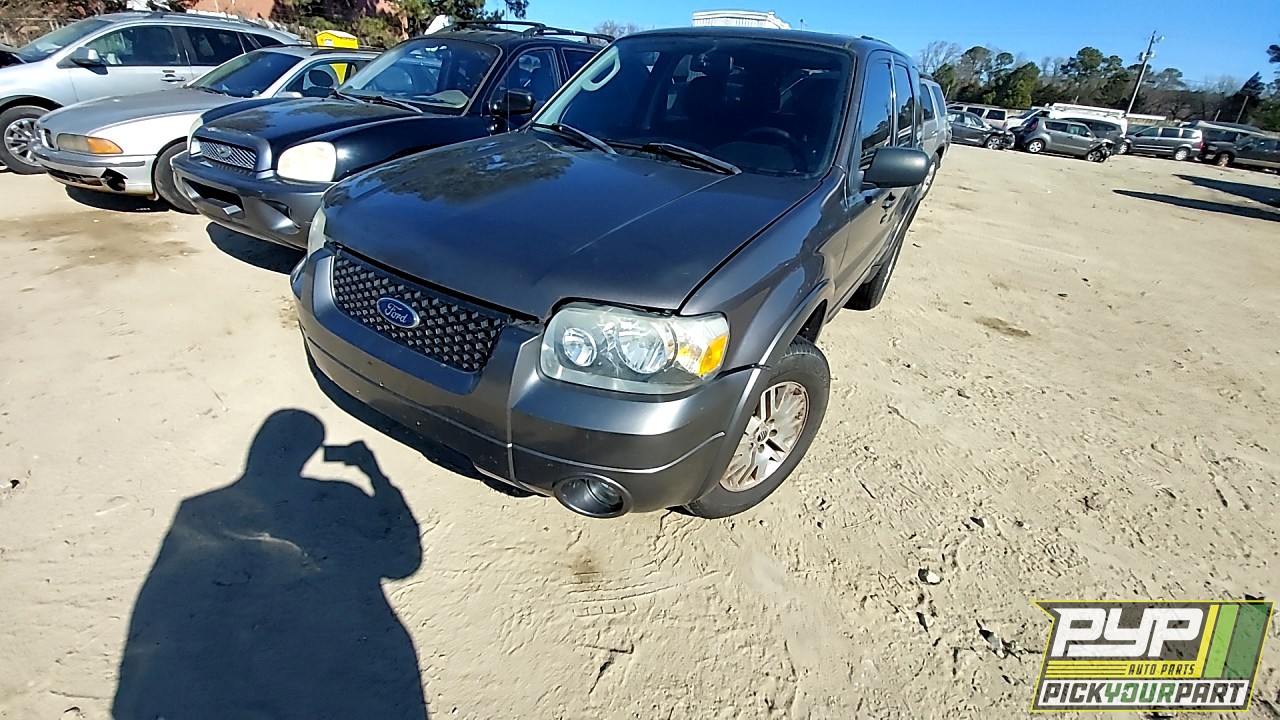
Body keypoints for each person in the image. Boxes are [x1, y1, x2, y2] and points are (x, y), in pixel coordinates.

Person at [113, 410, 426, 720]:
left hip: (251, 670)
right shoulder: (339, 496)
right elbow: (403, 561)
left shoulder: (201, 510)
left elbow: (160, 599)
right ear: (311, 452)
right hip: (344, 658)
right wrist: (374, 475)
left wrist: (134, 688)